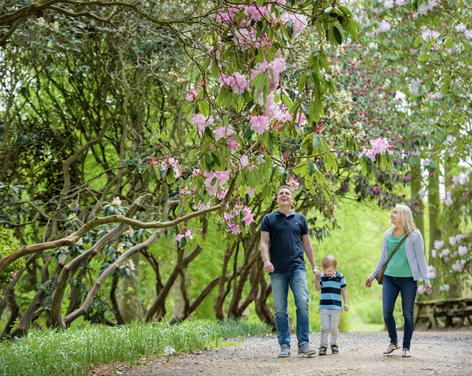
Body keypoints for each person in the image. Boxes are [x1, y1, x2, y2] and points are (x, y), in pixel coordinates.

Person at [365, 204, 432, 358]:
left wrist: (426, 280)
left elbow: (421, 258)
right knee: (387, 311)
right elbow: (382, 259)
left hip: (408, 280)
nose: (392, 214)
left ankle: (406, 347)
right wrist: (372, 275)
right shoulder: (388, 234)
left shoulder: (415, 235)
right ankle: (393, 341)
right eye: (392, 211)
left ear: (403, 216)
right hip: (389, 278)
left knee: (408, 315)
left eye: (395, 212)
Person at [260, 185, 318, 358]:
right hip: (277, 270)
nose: (284, 195)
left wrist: (314, 266)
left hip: (297, 268)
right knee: (280, 309)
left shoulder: (300, 219)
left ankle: (304, 343)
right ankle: (284, 345)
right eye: (281, 193)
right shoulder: (268, 219)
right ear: (277, 199)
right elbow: (264, 242)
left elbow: (307, 244)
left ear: (292, 199)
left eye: (287, 193)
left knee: (302, 302)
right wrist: (266, 260)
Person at [315, 255, 348, 355]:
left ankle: (334, 344)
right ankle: (323, 346)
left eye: (329, 270)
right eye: (325, 270)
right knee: (324, 328)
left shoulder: (340, 277)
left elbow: (344, 291)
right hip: (324, 307)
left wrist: (346, 303)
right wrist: (317, 279)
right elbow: (317, 288)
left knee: (334, 328)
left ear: (335, 268)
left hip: (336, 307)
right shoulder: (322, 277)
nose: (327, 273)